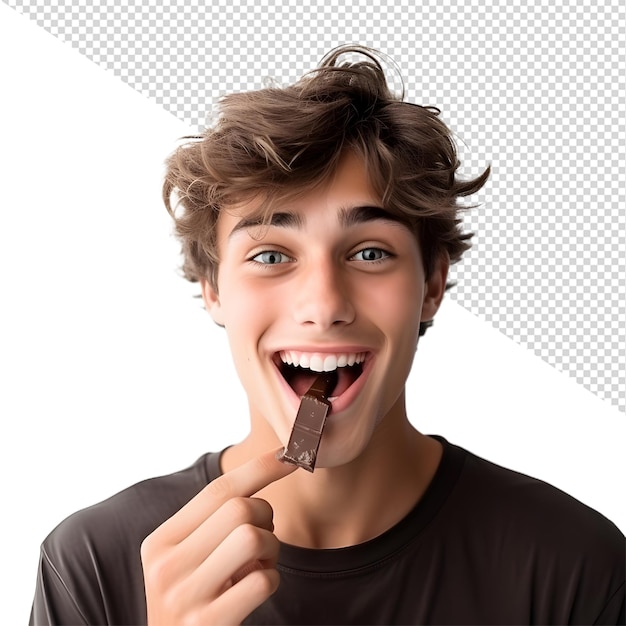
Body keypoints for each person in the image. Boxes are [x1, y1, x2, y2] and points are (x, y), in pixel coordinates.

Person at [30, 45, 624, 625]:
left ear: (432, 284)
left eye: (369, 252)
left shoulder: (573, 566)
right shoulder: (95, 566)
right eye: (269, 255)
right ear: (213, 288)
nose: (323, 305)